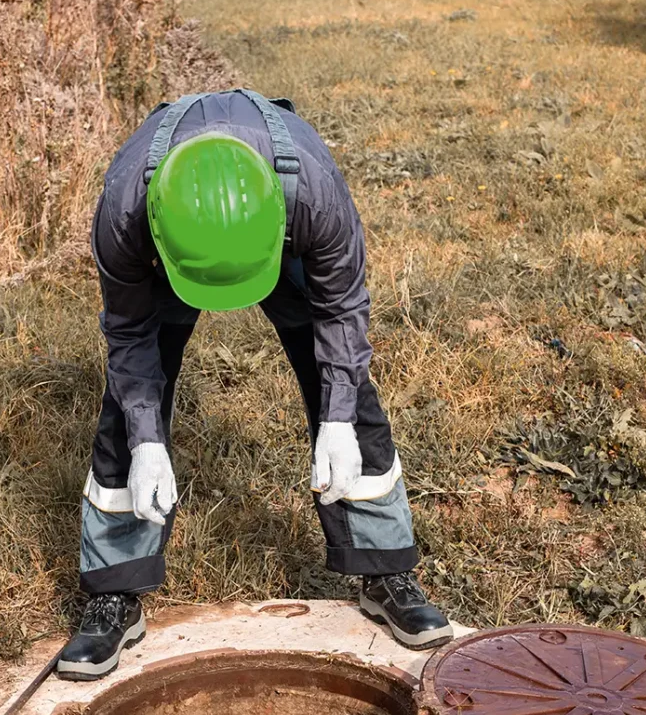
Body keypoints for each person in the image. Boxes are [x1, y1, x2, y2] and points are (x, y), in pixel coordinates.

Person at [57, 89, 454, 681]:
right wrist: (145, 443)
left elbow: (343, 310)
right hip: (173, 254)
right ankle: (114, 590)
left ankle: (385, 569)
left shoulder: (312, 193)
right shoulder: (126, 211)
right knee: (131, 397)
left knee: (345, 385)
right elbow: (129, 336)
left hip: (281, 240)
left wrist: (338, 420)